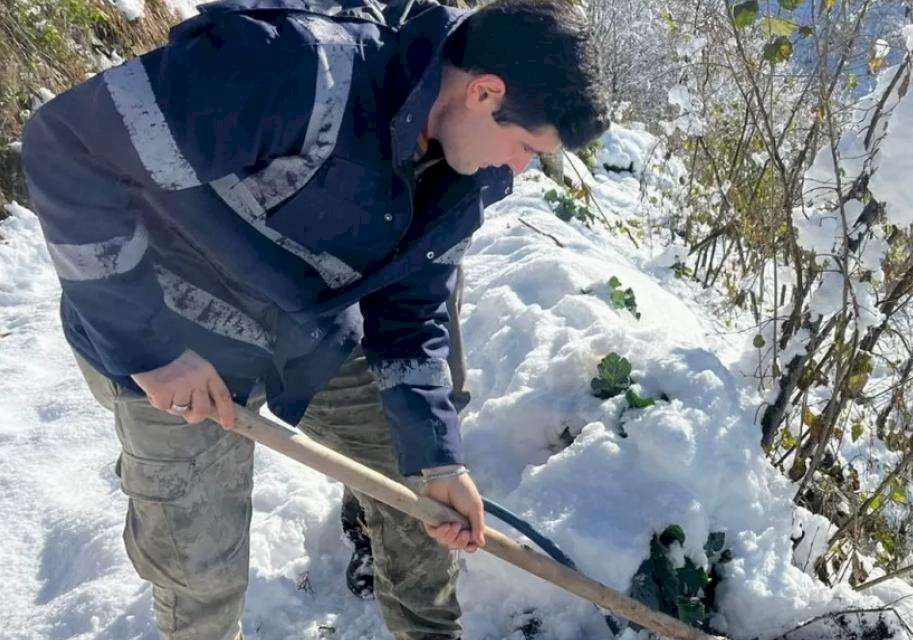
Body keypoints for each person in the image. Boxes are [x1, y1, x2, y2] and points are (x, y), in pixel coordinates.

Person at [19, 0, 609, 637]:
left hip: (304, 330)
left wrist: (438, 460)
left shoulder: (466, 175)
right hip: (165, 335)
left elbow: (409, 316)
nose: (518, 169)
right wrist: (147, 349)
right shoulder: (298, 69)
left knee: (414, 495)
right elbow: (68, 144)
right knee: (200, 568)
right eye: (525, 147)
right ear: (484, 91)